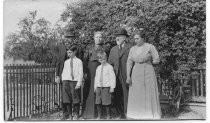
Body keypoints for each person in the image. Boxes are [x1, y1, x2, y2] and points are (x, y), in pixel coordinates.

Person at [126, 29, 161, 119]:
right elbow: (129, 62)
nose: (135, 40)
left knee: (148, 93)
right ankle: (136, 114)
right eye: (134, 39)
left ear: (143, 38)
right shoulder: (132, 49)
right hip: (136, 73)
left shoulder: (150, 47)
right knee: (137, 93)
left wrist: (150, 59)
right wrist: (128, 76)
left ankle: (149, 114)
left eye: (137, 38)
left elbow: (156, 59)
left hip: (148, 72)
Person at [82, 31, 109, 119]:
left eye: (100, 37)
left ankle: (102, 113)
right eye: (97, 37)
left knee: (101, 89)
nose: (98, 39)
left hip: (102, 69)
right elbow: (85, 61)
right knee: (91, 90)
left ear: (102, 38)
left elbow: (107, 60)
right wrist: (85, 72)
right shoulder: (89, 47)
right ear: (94, 38)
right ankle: (89, 113)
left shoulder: (105, 48)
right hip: (91, 70)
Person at [108, 28, 132, 119]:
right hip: (116, 76)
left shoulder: (130, 47)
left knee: (127, 95)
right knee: (117, 95)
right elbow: (110, 63)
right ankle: (119, 114)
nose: (117, 38)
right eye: (116, 37)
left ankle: (127, 113)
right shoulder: (113, 49)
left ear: (125, 38)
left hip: (126, 76)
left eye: (119, 37)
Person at [61, 45, 83, 120]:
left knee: (75, 98)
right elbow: (64, 72)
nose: (68, 54)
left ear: (75, 52)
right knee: (67, 99)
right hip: (66, 81)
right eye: (68, 53)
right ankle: (70, 115)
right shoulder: (66, 62)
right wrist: (63, 80)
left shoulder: (79, 61)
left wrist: (78, 83)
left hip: (74, 82)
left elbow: (81, 73)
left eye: (70, 52)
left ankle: (76, 114)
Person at [94, 52, 116, 120]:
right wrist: (95, 87)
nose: (102, 60)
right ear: (98, 60)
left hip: (106, 87)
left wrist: (112, 87)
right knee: (98, 101)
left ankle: (108, 116)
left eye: (103, 59)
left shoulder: (109, 67)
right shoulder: (98, 68)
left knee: (106, 102)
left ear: (106, 58)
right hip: (98, 87)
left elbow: (113, 77)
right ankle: (99, 116)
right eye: (100, 59)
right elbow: (96, 77)